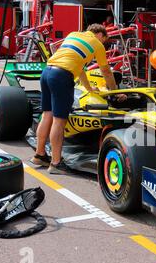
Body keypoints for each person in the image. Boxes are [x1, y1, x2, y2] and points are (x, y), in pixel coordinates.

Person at [30, 23, 125, 174]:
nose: (103, 44)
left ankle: (39, 155)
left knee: (47, 114)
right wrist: (114, 92)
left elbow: (80, 68)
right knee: (59, 120)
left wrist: (88, 89)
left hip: (47, 72)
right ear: (101, 35)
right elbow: (106, 71)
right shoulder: (97, 44)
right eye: (104, 40)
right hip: (61, 76)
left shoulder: (73, 34)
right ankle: (56, 163)